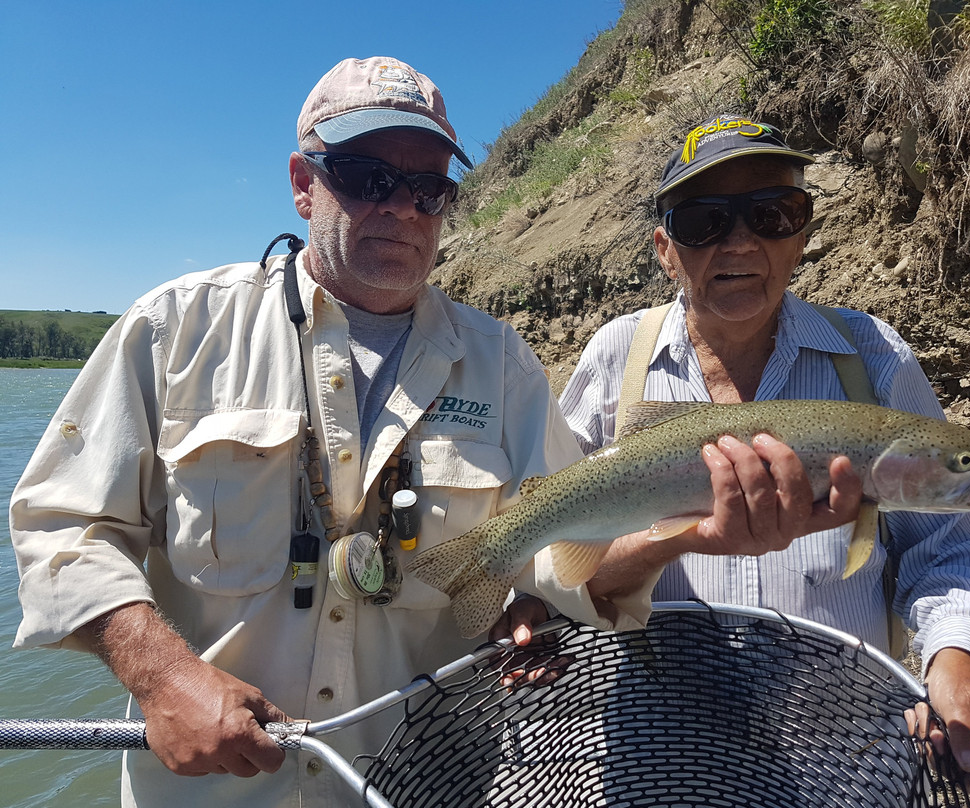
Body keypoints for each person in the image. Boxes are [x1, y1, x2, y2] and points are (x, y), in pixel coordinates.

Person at [8, 56, 666, 807]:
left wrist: (536, 607)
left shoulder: (507, 367)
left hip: (422, 788)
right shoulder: (174, 331)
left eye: (430, 189)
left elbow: (555, 552)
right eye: (366, 176)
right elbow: (61, 526)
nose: (404, 209)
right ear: (301, 182)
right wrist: (165, 675)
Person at [555, 115, 970, 807]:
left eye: (772, 213)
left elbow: (953, 552)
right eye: (704, 220)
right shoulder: (613, 357)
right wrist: (673, 541)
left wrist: (958, 660)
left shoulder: (874, 355)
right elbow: (562, 576)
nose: (740, 241)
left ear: (802, 232)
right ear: (665, 248)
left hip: (846, 763)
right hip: (660, 758)